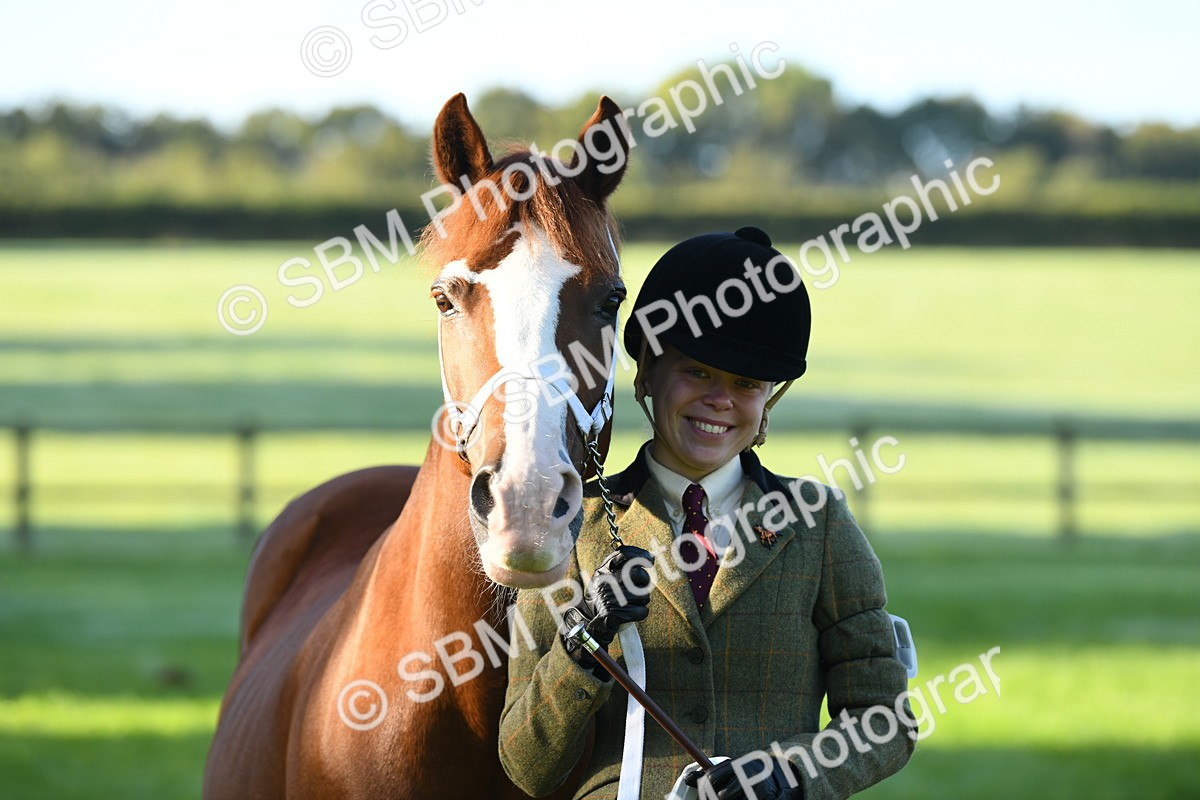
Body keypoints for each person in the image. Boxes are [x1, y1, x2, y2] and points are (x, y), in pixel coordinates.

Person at [499, 227, 913, 800]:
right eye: (697, 371)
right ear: (646, 372)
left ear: (769, 399)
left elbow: (883, 722)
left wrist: (786, 777)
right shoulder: (569, 527)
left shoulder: (819, 526)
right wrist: (585, 640)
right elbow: (525, 764)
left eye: (746, 384)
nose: (720, 400)